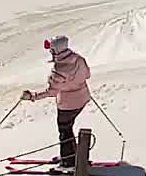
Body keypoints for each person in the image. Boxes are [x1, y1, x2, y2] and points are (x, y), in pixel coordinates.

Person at [21, 35, 93, 168]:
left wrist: (32, 96)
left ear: (56, 50)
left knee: (64, 129)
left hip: (68, 104)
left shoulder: (59, 70)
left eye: (52, 50)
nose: (51, 53)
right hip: (83, 97)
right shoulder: (78, 59)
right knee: (68, 127)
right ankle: (71, 154)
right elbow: (87, 75)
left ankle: (68, 163)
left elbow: (52, 92)